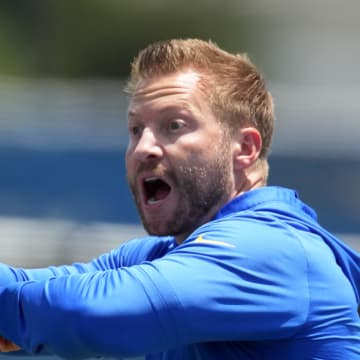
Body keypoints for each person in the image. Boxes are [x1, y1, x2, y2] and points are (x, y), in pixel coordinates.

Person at [0, 38, 359, 359]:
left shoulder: (272, 250)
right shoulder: (164, 253)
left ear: (245, 148)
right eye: (136, 129)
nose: (143, 148)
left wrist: (22, 315)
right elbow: (34, 289)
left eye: (174, 126)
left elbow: (92, 313)